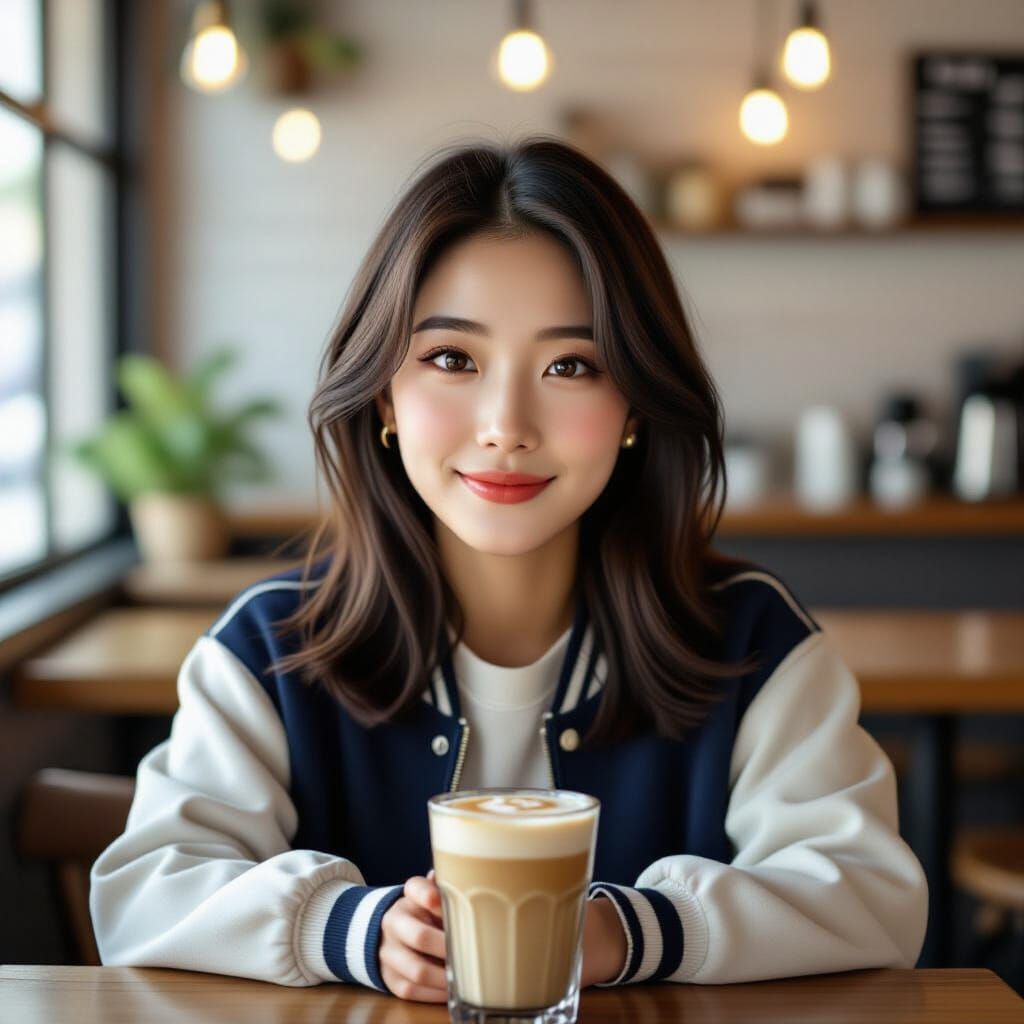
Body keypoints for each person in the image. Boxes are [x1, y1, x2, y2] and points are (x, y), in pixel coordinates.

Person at [90, 135, 928, 1001]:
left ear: (635, 407)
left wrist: (630, 932)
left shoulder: (753, 642)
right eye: (453, 359)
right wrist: (349, 930)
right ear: (383, 394)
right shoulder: (271, 648)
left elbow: (873, 897)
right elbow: (142, 892)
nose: (506, 425)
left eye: (571, 365)